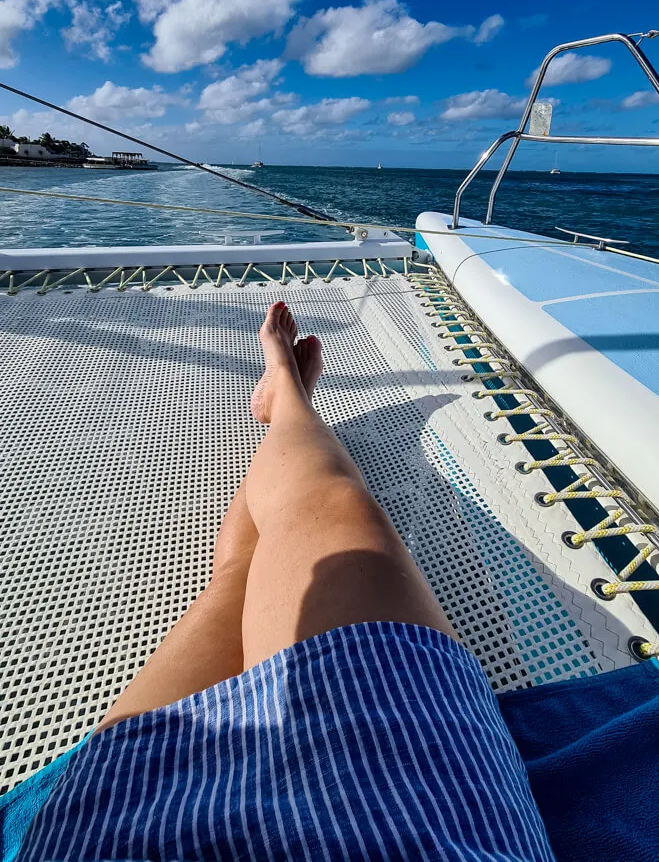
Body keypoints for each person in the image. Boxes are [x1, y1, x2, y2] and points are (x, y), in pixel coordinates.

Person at [20, 302, 554, 861]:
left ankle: (284, 404)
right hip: (393, 812)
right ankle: (288, 404)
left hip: (117, 832)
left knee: (254, 564)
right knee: (314, 513)